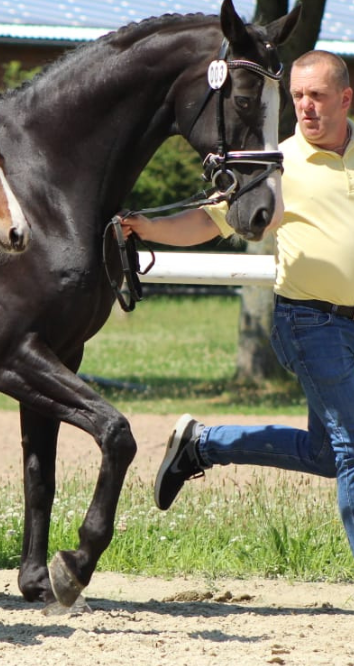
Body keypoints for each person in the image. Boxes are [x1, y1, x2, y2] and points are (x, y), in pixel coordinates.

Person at [121, 50, 354, 557]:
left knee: (328, 453)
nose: (305, 107)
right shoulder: (280, 163)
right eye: (297, 97)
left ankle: (203, 444)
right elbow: (209, 221)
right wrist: (149, 229)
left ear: (345, 98)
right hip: (312, 321)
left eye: (316, 95)